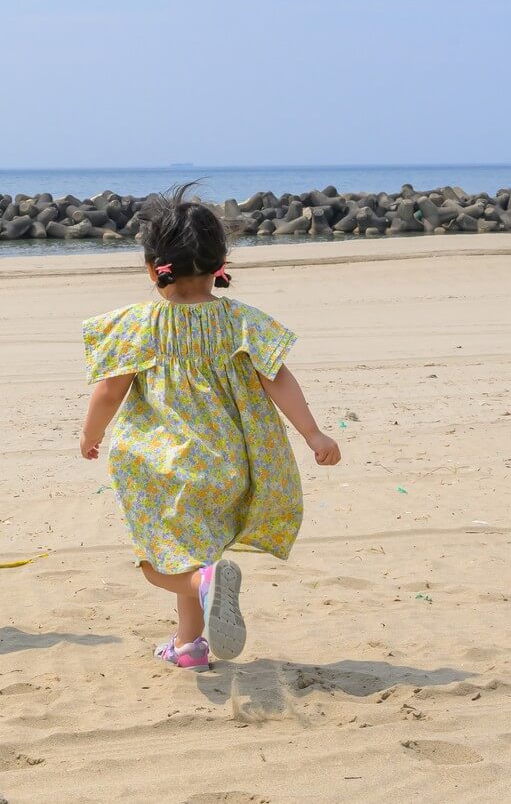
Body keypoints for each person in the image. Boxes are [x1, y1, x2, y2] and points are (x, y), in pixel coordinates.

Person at [78, 184, 341, 670]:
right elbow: (277, 377)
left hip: (162, 466)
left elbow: (110, 391)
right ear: (221, 264)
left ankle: (203, 587)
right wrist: (314, 434)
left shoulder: (140, 325)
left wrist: (91, 434)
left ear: (155, 265)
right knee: (195, 551)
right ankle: (189, 646)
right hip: (227, 465)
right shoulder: (240, 321)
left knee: (161, 563)